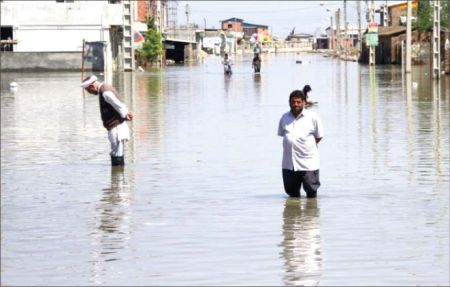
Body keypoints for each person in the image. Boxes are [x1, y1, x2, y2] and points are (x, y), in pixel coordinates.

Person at [277, 90, 324, 198]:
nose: (296, 104)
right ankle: (294, 214)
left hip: (308, 163)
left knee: (311, 193)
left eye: (298, 102)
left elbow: (319, 136)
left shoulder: (313, 117)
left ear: (304, 102)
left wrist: (306, 146)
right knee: (292, 195)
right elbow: (282, 135)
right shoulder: (284, 118)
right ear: (289, 102)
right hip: (289, 164)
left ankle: (310, 215)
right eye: (293, 102)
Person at [81, 75, 133, 166]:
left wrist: (125, 114)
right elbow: (119, 103)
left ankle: (117, 177)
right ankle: (117, 177)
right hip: (116, 126)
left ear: (92, 86)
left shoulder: (104, 92)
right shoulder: (105, 88)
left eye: (89, 90)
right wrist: (125, 113)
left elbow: (118, 104)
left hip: (116, 128)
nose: (90, 93)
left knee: (117, 154)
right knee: (116, 153)